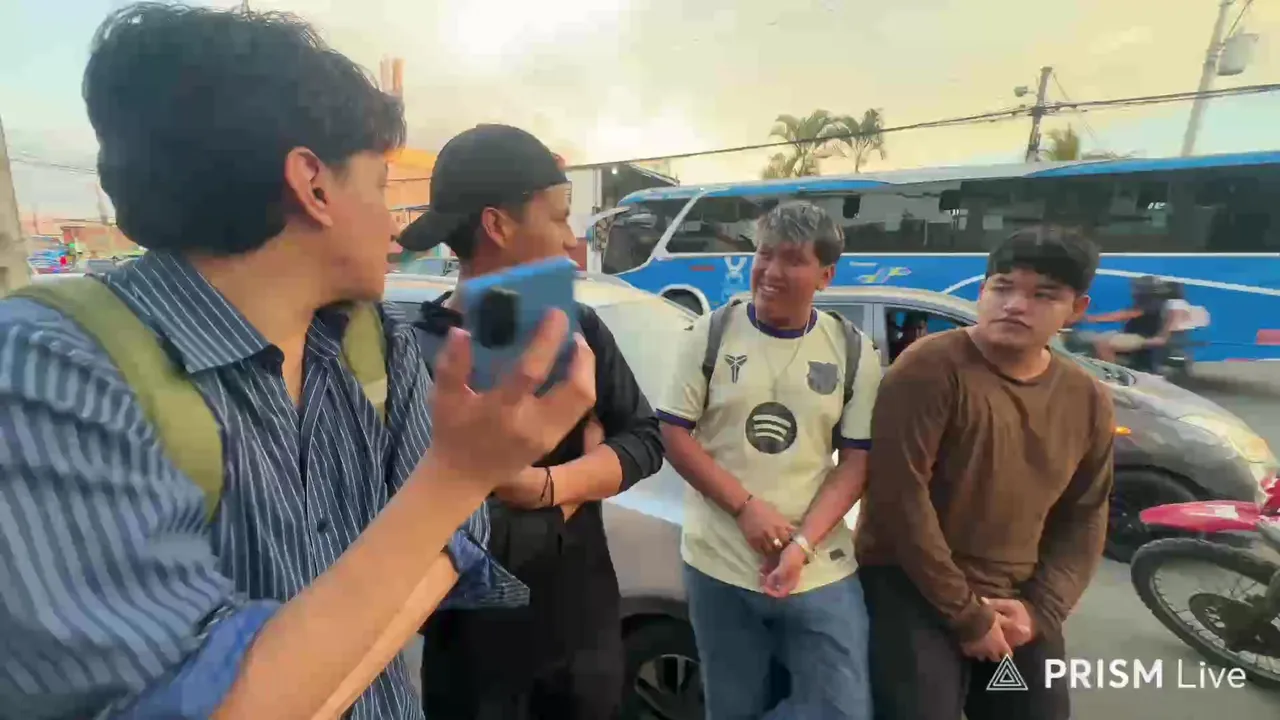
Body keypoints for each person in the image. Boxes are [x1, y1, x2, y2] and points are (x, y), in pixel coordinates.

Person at [0, 6, 598, 720]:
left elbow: (461, 540)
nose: (395, 224)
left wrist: (301, 684)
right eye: (380, 185)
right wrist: (459, 475)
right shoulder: (49, 373)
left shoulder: (373, 340)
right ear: (313, 185)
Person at [401, 124, 666, 720]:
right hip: (473, 667)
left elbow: (646, 439)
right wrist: (580, 484)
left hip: (583, 641)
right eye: (560, 217)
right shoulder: (414, 354)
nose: (571, 240)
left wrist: (546, 486)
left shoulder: (579, 330)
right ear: (497, 225)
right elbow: (446, 535)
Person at [856, 225, 1115, 720]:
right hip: (909, 587)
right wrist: (967, 615)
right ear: (982, 291)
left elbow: (1085, 513)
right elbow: (899, 498)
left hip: (1018, 596)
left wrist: (1040, 611)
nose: (1015, 305)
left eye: (1043, 295)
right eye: (1003, 287)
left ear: (1076, 309)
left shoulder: (1087, 398)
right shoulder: (930, 368)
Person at [658, 201, 881, 719]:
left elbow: (855, 462)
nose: (772, 271)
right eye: (764, 254)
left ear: (826, 275)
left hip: (817, 567)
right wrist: (745, 507)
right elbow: (673, 433)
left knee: (843, 709)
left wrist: (801, 545)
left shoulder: (851, 349)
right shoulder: (710, 334)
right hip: (718, 564)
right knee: (733, 706)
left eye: (793, 259)